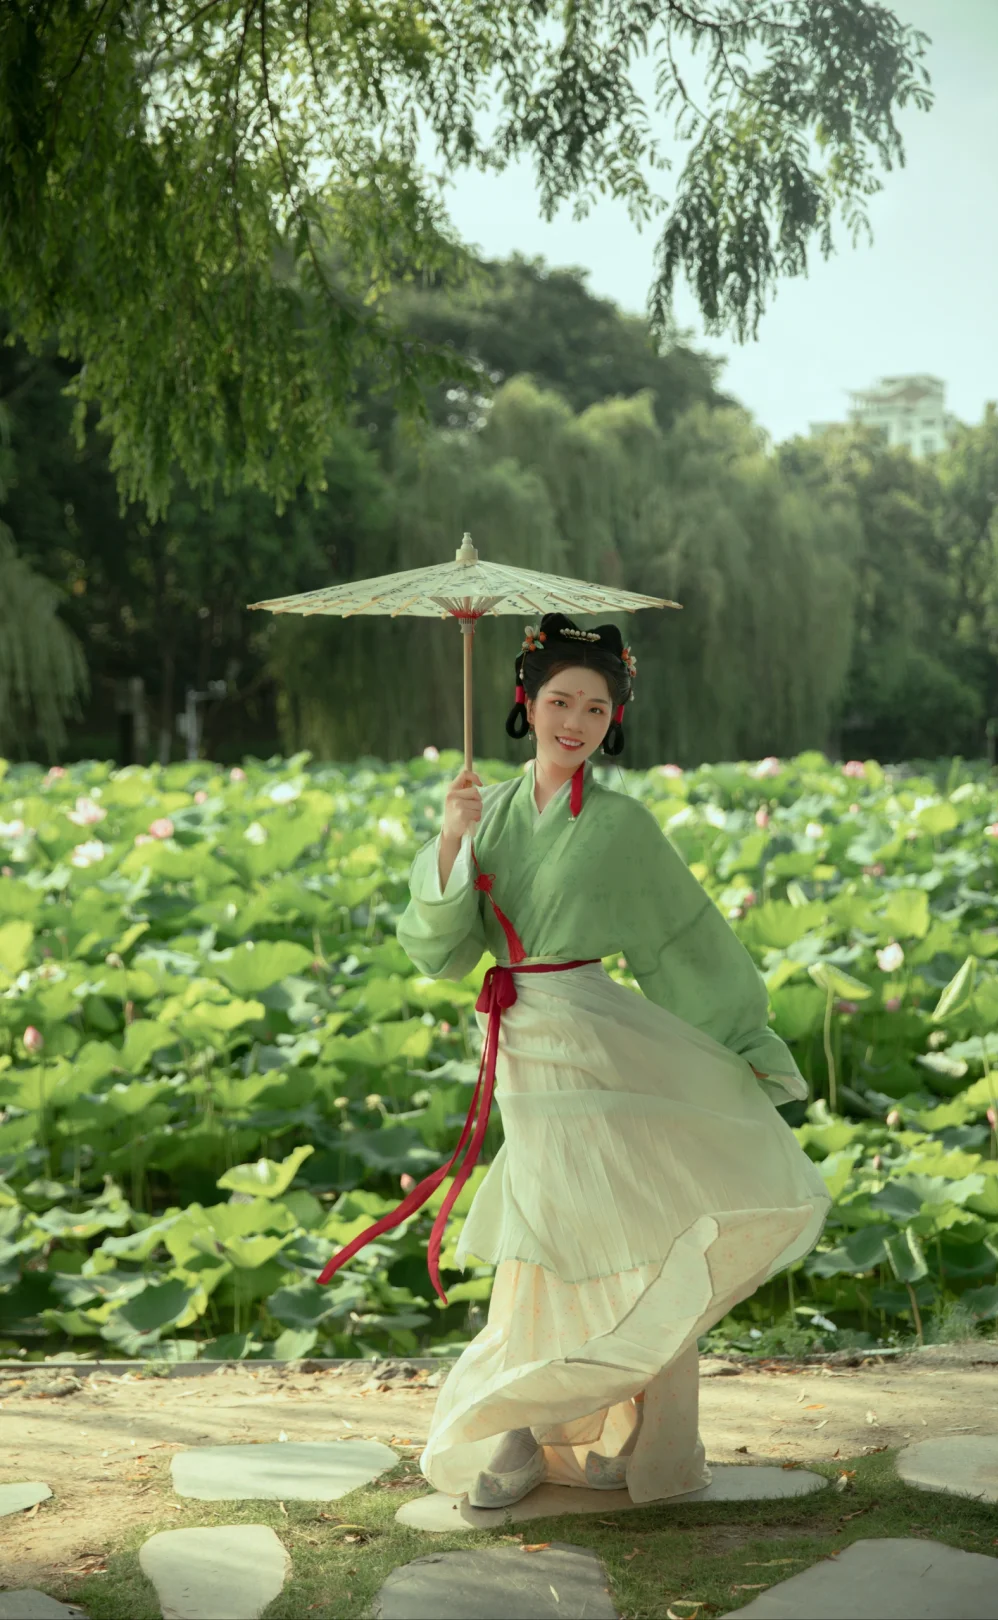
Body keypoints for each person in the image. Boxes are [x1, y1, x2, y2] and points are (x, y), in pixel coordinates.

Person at [321, 612, 831, 1511]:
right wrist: (451, 839)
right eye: (559, 699)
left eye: (595, 707)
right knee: (543, 1231)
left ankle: (610, 1425)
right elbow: (441, 951)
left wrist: (740, 1041)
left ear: (612, 720)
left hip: (601, 1032)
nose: (575, 720)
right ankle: (526, 1424)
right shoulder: (492, 812)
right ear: (525, 701)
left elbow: (683, 942)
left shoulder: (623, 826)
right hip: (520, 1035)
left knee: (625, 1225)